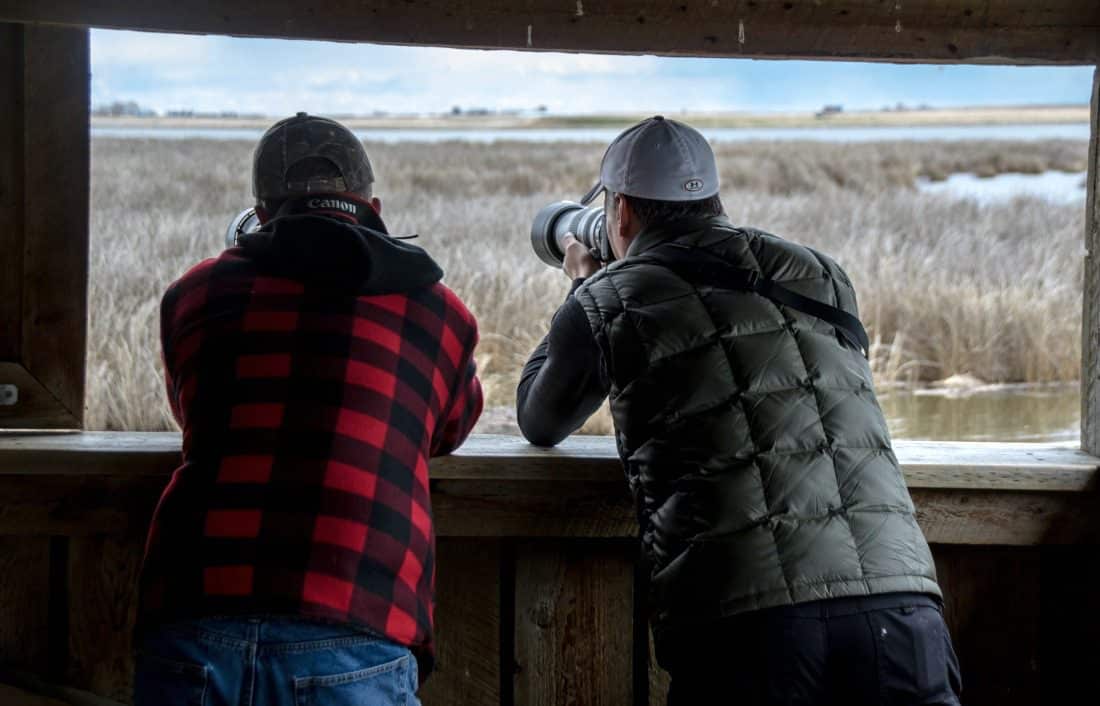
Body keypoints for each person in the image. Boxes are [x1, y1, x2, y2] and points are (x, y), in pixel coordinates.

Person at [517, 116, 962, 705]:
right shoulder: (821, 273)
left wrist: (580, 285)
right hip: (901, 603)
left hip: (748, 625)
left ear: (619, 211)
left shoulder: (610, 296)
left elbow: (539, 418)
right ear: (713, 199)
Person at [135, 113, 483, 706]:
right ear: (372, 205)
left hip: (196, 604)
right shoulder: (440, 314)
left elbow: (189, 410)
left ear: (262, 213)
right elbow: (448, 428)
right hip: (357, 611)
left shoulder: (194, 294)